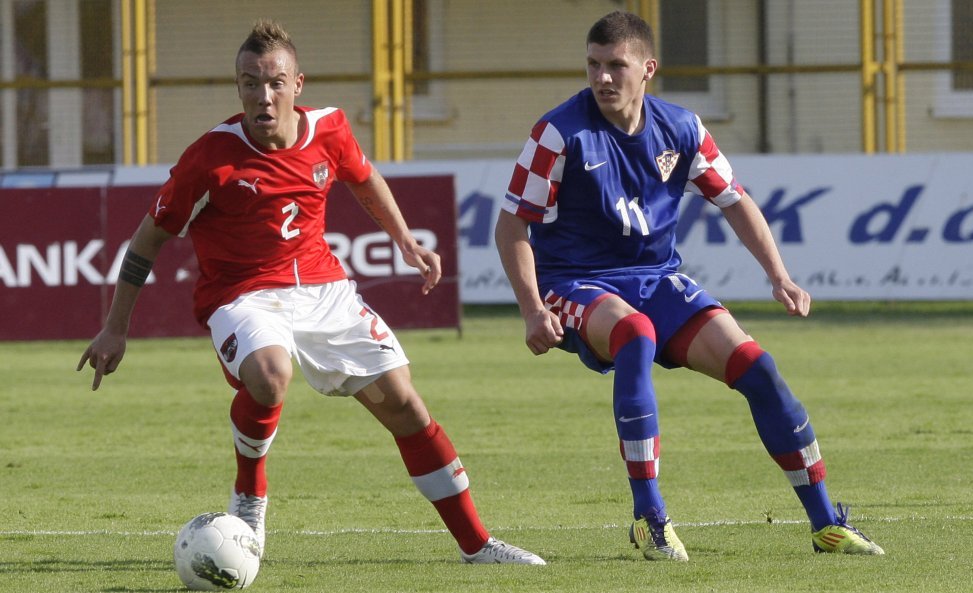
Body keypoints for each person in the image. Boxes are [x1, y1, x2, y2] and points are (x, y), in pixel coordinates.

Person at [78, 20, 544, 566]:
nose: (262, 96)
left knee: (406, 406)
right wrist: (116, 325)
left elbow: (364, 177)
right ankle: (250, 497)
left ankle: (478, 546)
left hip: (326, 292)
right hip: (242, 296)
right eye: (249, 83)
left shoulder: (330, 129)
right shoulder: (210, 159)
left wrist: (404, 240)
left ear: (298, 84)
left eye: (274, 82)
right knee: (272, 375)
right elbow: (148, 238)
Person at [495, 10, 883, 562]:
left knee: (759, 369)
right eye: (593, 65)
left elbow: (735, 200)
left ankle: (826, 525)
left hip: (657, 278)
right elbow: (512, 224)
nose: (602, 78)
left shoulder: (681, 128)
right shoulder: (559, 133)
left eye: (616, 66)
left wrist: (780, 276)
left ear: (647, 69)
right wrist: (533, 308)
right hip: (575, 282)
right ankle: (649, 518)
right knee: (634, 333)